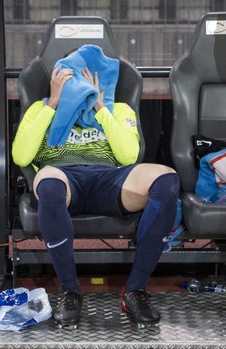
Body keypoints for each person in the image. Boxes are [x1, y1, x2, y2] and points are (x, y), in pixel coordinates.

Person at [11, 44, 180, 329]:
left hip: (108, 179)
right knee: (49, 184)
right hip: (63, 177)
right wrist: (53, 103)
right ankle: (70, 291)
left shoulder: (120, 109)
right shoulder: (40, 108)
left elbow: (128, 156)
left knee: (166, 179)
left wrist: (100, 106)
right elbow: (21, 156)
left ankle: (135, 290)